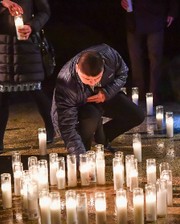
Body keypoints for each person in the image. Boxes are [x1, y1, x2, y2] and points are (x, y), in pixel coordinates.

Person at [51, 44, 145, 159]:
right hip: (79, 105)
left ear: (103, 68)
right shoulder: (66, 83)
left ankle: (102, 138)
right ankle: (84, 149)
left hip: (102, 93)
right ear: (77, 68)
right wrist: (80, 159)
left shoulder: (110, 55)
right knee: (91, 118)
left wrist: (107, 92)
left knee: (136, 115)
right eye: (87, 79)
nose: (92, 82)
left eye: (96, 78)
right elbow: (67, 126)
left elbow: (122, 73)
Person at [0, 0, 54, 153]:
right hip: (2, 44)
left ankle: (51, 127)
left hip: (26, 44)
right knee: (2, 93)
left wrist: (32, 26)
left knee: (36, 90)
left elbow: (45, 11)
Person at [121, 0, 179, 104]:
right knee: (135, 58)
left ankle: (154, 94)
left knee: (155, 58)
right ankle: (138, 92)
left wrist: (172, 12)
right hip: (134, 17)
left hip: (155, 16)